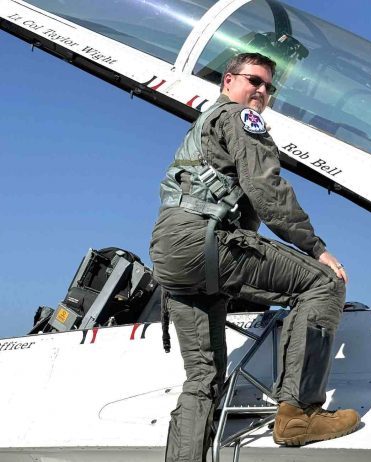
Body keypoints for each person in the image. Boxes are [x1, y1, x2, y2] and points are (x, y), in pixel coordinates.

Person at [150, 52, 359, 462]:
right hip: (204, 241)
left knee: (204, 378)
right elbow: (266, 188)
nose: (262, 91)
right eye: (254, 81)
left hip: (171, 256)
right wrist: (315, 247)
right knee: (323, 282)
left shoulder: (203, 124)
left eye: (268, 86)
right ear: (229, 81)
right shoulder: (240, 118)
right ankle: (300, 413)